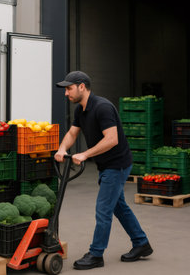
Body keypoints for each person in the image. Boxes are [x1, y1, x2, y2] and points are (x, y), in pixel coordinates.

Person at [54, 71, 153, 270]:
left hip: (117, 165)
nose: (66, 94)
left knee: (103, 209)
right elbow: (73, 132)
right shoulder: (80, 111)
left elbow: (112, 139)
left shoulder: (103, 108)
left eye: (69, 89)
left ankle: (96, 254)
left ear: (82, 86)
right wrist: (62, 149)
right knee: (118, 206)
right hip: (106, 165)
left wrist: (84, 155)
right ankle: (141, 243)